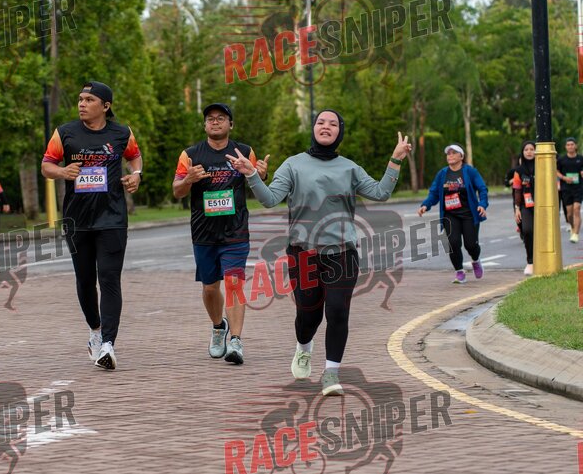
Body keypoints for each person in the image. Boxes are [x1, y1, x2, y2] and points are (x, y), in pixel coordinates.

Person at [227, 109, 411, 395]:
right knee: (308, 315)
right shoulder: (293, 165)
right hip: (303, 253)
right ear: (313, 128)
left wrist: (395, 159)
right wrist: (251, 174)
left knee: (337, 312)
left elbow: (380, 192)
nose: (326, 127)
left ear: (340, 132)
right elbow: (270, 199)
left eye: (333, 123)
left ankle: (331, 373)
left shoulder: (349, 168)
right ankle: (303, 348)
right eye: (321, 122)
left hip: (342, 253)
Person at [41, 81, 142, 370]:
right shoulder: (64, 133)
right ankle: (95, 330)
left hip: (112, 218)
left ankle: (108, 344)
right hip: (77, 220)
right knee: (85, 280)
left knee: (109, 278)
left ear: (105, 106)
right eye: (80, 99)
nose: (82, 104)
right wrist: (63, 171)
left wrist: (137, 174)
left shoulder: (122, 133)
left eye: (89, 100)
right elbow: (46, 165)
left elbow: (134, 157)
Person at [172, 103, 269, 365]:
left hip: (235, 231)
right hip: (203, 232)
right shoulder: (190, 154)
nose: (215, 122)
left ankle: (236, 341)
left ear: (230, 124)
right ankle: (219, 327)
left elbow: (256, 181)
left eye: (221, 118)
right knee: (210, 288)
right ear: (205, 125)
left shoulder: (244, 151)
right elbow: (177, 191)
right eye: (211, 119)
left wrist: (260, 174)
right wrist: (189, 179)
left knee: (234, 283)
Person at [418, 144, 488, 284]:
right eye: (448, 153)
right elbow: (434, 193)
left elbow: (482, 189)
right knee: (453, 243)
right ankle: (459, 272)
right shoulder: (442, 174)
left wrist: (482, 204)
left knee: (470, 245)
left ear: (461, 156)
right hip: (450, 215)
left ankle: (475, 260)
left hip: (469, 214)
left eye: (453, 153)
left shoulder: (470, 172)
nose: (450, 155)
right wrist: (426, 205)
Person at [513, 141, 536, 276]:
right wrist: (517, 209)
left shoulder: (542, 166)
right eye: (526, 149)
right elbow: (517, 190)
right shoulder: (519, 171)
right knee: (527, 230)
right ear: (522, 152)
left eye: (532, 149)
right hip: (526, 205)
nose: (529, 152)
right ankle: (530, 262)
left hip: (542, 206)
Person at [556, 137, 583, 243]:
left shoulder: (581, 159)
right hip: (566, 188)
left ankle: (575, 234)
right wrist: (564, 178)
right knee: (569, 214)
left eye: (572, 144)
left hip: (578, 188)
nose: (570, 146)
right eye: (568, 145)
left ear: (575, 146)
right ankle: (572, 227)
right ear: (565, 147)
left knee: (577, 209)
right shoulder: (561, 160)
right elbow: (556, 171)